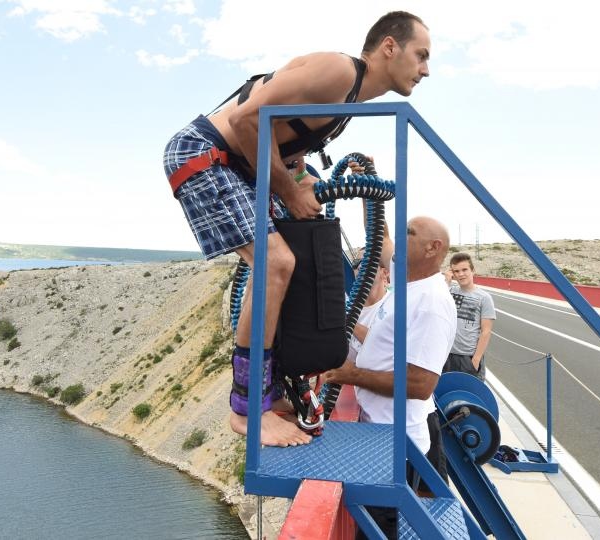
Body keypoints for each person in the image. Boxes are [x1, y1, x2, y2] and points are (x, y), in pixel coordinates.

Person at [162, 12, 431, 447]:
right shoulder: (339, 72)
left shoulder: (348, 102)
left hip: (240, 168)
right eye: (420, 56)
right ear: (388, 47)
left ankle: (271, 388)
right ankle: (247, 408)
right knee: (276, 263)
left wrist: (300, 178)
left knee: (294, 264)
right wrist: (288, 192)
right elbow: (247, 120)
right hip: (205, 154)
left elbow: (284, 139)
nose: (425, 69)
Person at [321, 216, 456, 538]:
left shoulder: (431, 303)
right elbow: (384, 245)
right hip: (380, 432)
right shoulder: (409, 283)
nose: (399, 238)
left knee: (379, 528)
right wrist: (369, 192)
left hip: (396, 442)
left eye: (409, 232)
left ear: (432, 248)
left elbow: (421, 384)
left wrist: (353, 375)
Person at [443, 252, 496, 379]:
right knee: (444, 395)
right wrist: (446, 282)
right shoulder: (447, 292)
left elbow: (486, 331)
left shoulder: (484, 298)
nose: (461, 274)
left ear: (472, 270)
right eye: (456, 271)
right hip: (446, 355)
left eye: (464, 269)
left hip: (468, 357)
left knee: (469, 396)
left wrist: (476, 360)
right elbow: (435, 310)